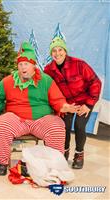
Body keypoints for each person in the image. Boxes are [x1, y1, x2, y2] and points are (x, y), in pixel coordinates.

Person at [0, 41, 79, 176]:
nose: (23, 67)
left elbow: (57, 99)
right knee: (2, 125)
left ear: (33, 66)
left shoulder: (46, 80)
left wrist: (65, 107)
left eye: (26, 64)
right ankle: (2, 162)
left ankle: (55, 165)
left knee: (57, 127)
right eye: (20, 64)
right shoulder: (9, 80)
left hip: (41, 119)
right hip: (17, 119)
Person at [44, 37, 102, 169]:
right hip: (66, 104)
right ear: (50, 53)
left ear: (65, 51)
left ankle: (79, 154)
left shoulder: (79, 64)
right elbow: (48, 90)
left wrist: (88, 104)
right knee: (64, 125)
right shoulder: (48, 70)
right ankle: (63, 152)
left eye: (60, 50)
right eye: (54, 50)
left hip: (85, 100)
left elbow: (95, 82)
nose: (57, 53)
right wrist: (62, 106)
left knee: (79, 125)